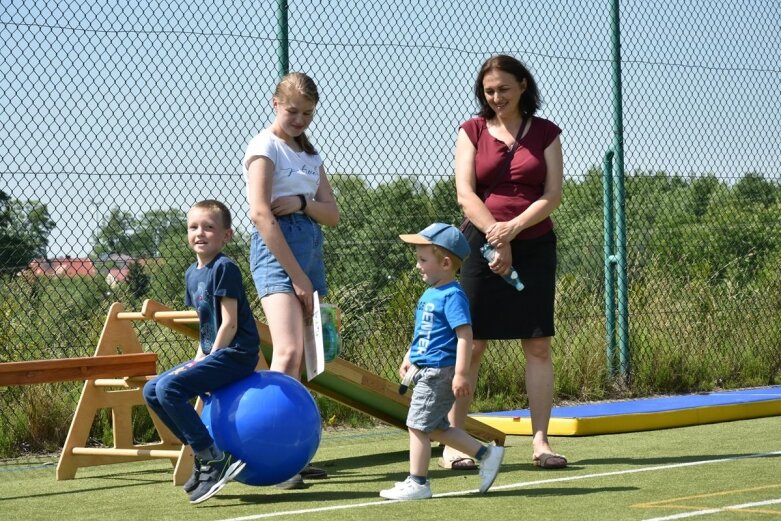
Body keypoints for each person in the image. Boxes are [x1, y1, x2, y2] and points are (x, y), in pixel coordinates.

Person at [445, 54, 567, 470]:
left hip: (534, 244)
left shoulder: (547, 133)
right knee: (472, 343)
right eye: (489, 90)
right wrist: (496, 236)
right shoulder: (472, 131)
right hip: (479, 245)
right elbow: (465, 193)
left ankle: (540, 443)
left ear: (523, 87)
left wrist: (511, 231)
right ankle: (454, 444)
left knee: (537, 345)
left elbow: (552, 194)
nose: (496, 97)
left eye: (504, 89)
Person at [243, 72, 339, 489]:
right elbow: (260, 214)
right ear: (274, 103)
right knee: (286, 352)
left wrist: (302, 202)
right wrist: (298, 278)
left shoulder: (310, 157)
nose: (300, 119)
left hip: (309, 248)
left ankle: (293, 454)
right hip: (277, 253)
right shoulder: (264, 147)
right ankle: (273, 460)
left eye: (308, 113)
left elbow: (332, 213)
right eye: (292, 110)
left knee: (303, 360)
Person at [143, 200, 260, 505]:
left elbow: (230, 324)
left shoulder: (224, 268)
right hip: (214, 352)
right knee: (152, 390)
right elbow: (206, 325)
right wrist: (198, 358)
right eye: (193, 227)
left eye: (209, 227)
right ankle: (202, 455)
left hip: (236, 353)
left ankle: (215, 458)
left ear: (226, 236)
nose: (200, 233)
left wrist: (208, 358)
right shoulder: (191, 275)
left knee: (170, 388)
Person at [379, 223, 505, 500]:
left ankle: (419, 483)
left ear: (446, 263)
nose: (418, 265)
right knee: (436, 427)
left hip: (440, 373)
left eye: (423, 260)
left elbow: (465, 336)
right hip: (427, 370)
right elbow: (424, 332)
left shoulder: (452, 296)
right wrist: (410, 356)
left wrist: (461, 374)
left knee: (417, 425)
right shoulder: (431, 292)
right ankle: (487, 455)